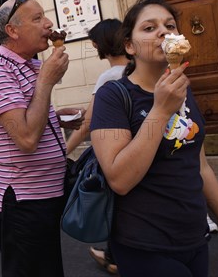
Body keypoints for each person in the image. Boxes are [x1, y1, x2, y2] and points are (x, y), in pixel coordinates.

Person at [90, 0, 218, 277]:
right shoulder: (114, 96)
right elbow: (119, 180)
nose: (163, 31)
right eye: (149, 27)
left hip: (195, 237)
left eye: (169, 25)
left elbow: (201, 167)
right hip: (145, 244)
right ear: (129, 46)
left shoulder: (182, 90)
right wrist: (160, 109)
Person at [0, 0, 84, 276]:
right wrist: (46, 80)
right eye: (37, 18)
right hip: (21, 200)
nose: (48, 24)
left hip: (46, 194)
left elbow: (27, 117)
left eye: (44, 16)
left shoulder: (32, 65)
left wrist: (58, 118)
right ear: (12, 30)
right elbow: (25, 138)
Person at [65, 18, 128, 275]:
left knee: (117, 206)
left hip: (117, 153)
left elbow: (88, 123)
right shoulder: (140, 70)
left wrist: (65, 150)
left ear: (99, 44)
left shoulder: (109, 76)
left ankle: (117, 256)